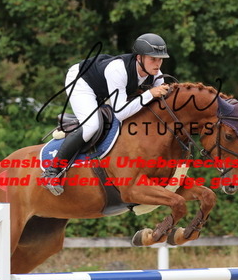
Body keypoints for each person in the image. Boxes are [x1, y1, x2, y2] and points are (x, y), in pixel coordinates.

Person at [42, 33, 171, 195]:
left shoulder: (155, 75)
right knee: (92, 126)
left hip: (106, 88)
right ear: (139, 58)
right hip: (81, 81)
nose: (157, 64)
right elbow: (121, 112)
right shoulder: (118, 70)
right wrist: (150, 94)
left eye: (160, 59)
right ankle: (52, 171)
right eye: (153, 59)